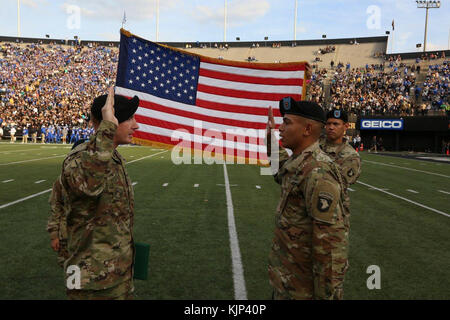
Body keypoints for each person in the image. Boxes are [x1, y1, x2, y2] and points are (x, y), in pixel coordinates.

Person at [52, 87, 139, 300]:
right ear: (111, 122)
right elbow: (90, 186)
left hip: (116, 276)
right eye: (129, 119)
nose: (136, 125)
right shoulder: (81, 159)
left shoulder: (112, 157)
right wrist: (107, 125)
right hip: (89, 281)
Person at [266, 97, 348, 300]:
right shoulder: (300, 162)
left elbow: (328, 244)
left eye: (287, 123)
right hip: (289, 283)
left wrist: (326, 295)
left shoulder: (318, 172)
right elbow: (281, 172)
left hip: (304, 291)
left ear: (307, 129)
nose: (281, 129)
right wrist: (270, 139)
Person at [319, 109, 361, 237]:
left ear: (346, 126)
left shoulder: (351, 157)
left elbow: (337, 183)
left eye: (336, 124)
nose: (331, 127)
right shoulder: (316, 144)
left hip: (334, 216)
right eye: (328, 124)